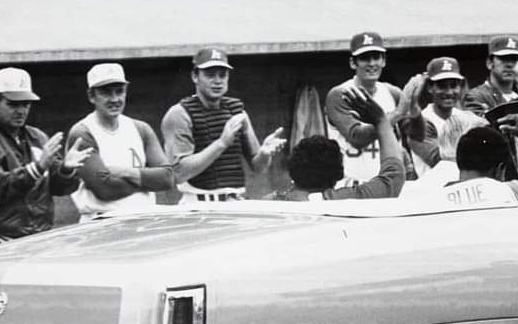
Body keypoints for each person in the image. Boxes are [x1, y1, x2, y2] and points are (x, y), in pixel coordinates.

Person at [0, 67, 92, 249]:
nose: (21, 110)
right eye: (13, 104)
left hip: (36, 238)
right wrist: (36, 169)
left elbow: (59, 188)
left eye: (25, 104)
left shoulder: (37, 137)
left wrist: (66, 170)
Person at [160, 48, 286, 203]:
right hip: (198, 203)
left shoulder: (237, 112)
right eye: (210, 74)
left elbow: (258, 167)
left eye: (222, 74)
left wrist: (265, 154)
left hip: (234, 202)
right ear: (195, 76)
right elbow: (179, 173)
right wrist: (221, 143)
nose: (217, 81)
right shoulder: (179, 114)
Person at [67, 63, 175, 221]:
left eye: (119, 91)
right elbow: (105, 189)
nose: (114, 99)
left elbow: (167, 178)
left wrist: (124, 172)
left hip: (143, 218)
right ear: (91, 95)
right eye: (106, 93)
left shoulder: (140, 128)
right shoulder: (83, 132)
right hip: (102, 221)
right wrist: (147, 180)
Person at [270, 89, 406, 201]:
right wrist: (381, 120)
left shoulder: (272, 202)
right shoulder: (340, 200)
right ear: (338, 175)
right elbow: (393, 178)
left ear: (293, 171)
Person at [325, 32, 406, 184]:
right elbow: (357, 137)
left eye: (376, 57)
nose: (371, 63)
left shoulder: (392, 93)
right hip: (350, 182)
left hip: (385, 181)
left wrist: (413, 107)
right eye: (364, 58)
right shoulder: (339, 94)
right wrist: (396, 115)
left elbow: (407, 136)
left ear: (383, 61)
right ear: (353, 63)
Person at [402, 57, 488, 178]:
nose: (448, 92)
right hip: (432, 189)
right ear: (430, 87)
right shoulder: (422, 121)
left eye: (453, 86)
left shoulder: (467, 117)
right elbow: (440, 160)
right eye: (442, 86)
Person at [463, 35, 518, 117]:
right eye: (504, 59)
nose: (510, 64)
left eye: (514, 59)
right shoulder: (476, 96)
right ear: (490, 63)